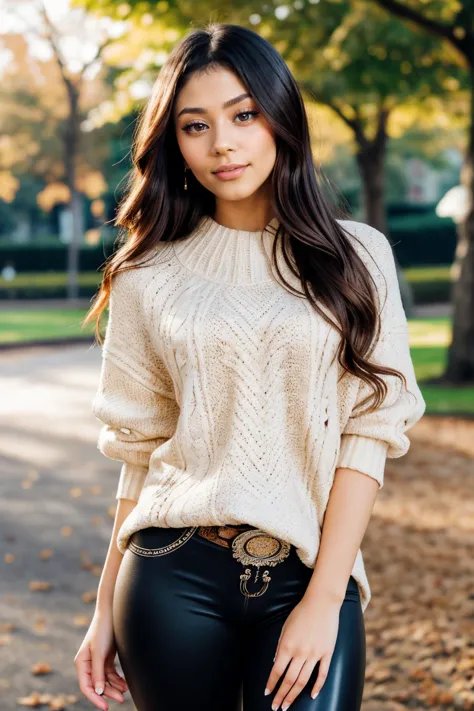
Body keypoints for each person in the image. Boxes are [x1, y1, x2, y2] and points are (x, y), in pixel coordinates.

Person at [75, 22, 426, 711]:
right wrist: (100, 609)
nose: (223, 143)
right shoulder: (148, 272)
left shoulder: (358, 257)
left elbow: (370, 430)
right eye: (194, 125)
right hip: (168, 572)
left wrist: (328, 596)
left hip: (306, 569)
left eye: (244, 114)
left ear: (281, 117)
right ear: (173, 142)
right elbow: (140, 450)